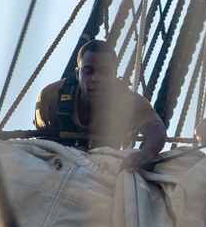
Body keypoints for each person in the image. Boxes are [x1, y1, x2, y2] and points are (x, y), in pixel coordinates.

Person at [34, 39, 167, 170]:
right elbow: (44, 142)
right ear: (77, 74)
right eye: (88, 71)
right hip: (59, 165)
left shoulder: (128, 102)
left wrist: (146, 153)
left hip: (105, 167)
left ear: (114, 76)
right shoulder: (51, 97)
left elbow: (156, 129)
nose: (96, 79)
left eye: (104, 72)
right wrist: (72, 151)